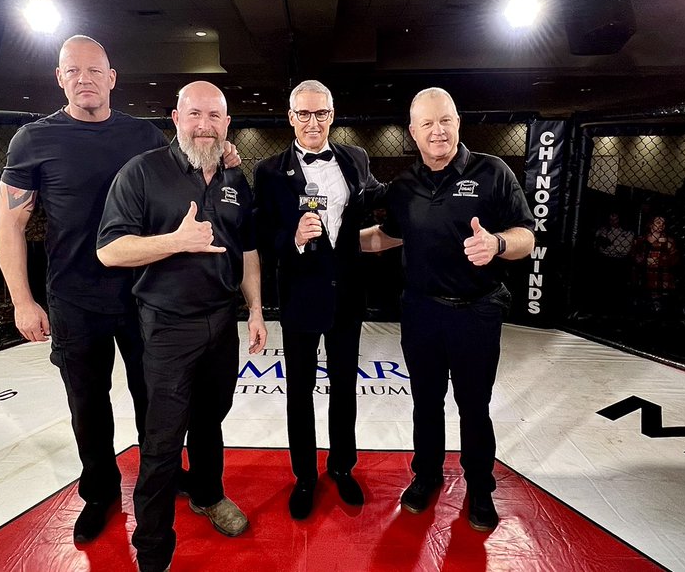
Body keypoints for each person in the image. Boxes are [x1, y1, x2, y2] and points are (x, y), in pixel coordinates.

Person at [0, 36, 235, 545]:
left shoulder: (144, 136)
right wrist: (22, 299)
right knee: (88, 403)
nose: (84, 79)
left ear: (112, 77)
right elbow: (9, 225)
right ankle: (101, 491)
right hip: (74, 298)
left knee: (159, 401)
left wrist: (224, 149)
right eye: (72, 71)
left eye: (94, 70)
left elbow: (194, 161)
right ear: (60, 78)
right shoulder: (33, 139)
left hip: (143, 295)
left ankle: (166, 478)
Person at [97, 81, 266, 572]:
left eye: (214, 117)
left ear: (227, 123)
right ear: (176, 118)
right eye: (194, 115)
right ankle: (153, 551)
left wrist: (254, 309)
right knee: (163, 438)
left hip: (222, 321)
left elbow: (249, 249)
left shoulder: (235, 178)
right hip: (167, 325)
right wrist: (174, 241)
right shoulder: (143, 172)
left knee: (211, 418)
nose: (204, 126)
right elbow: (109, 250)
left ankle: (209, 495)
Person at [360, 87, 534, 532]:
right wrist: (331, 242)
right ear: (413, 133)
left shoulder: (493, 172)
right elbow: (387, 236)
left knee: (474, 405)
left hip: (476, 311)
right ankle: (427, 476)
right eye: (428, 124)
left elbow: (526, 237)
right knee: (425, 402)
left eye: (446, 120)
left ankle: (479, 486)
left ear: (458, 122)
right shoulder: (404, 186)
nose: (438, 131)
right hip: (420, 310)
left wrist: (496, 244)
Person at [252, 79, 384, 520]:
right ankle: (305, 476)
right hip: (299, 295)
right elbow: (259, 234)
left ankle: (342, 468)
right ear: (291, 117)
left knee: (345, 387)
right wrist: (290, 235)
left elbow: (374, 202)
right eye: (304, 114)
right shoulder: (270, 171)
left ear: (332, 114)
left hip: (347, 294)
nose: (313, 122)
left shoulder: (356, 158)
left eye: (321, 113)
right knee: (300, 391)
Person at [630, 215, 679, 315]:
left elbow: (674, 260)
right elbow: (633, 255)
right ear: (651, 224)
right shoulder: (641, 240)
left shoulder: (669, 241)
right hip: (643, 276)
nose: (661, 225)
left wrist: (661, 262)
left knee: (658, 307)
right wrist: (638, 259)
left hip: (659, 278)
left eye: (663, 223)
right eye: (658, 222)